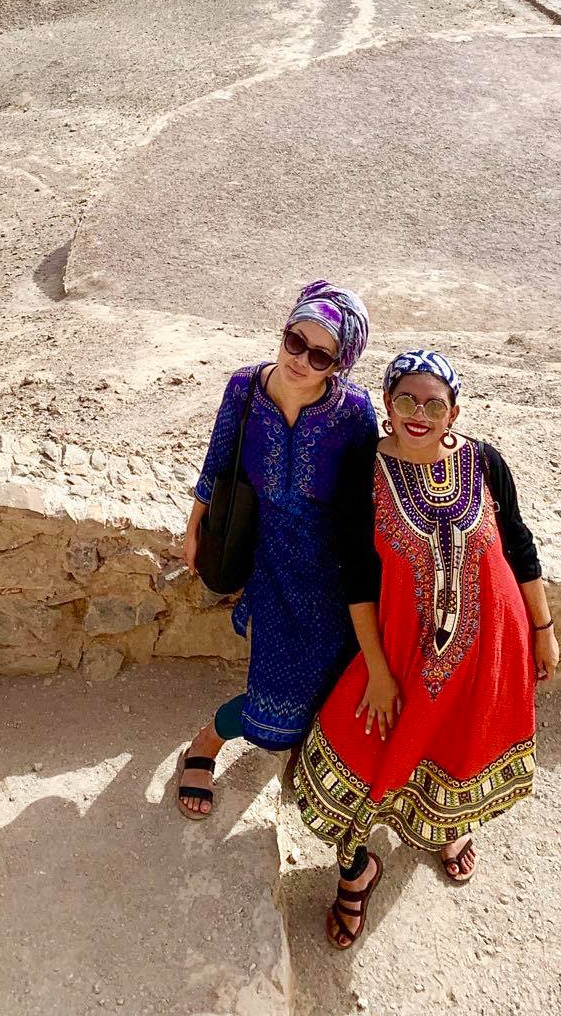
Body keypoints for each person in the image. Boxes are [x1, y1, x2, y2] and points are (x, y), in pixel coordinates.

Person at [289, 347, 557, 947]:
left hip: (491, 648)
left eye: (434, 403)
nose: (419, 413)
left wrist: (542, 628)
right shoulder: (364, 470)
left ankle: (448, 829)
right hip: (400, 656)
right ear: (387, 403)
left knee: (459, 749)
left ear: (453, 412)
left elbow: (517, 544)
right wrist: (379, 672)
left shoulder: (486, 463)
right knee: (360, 764)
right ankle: (357, 870)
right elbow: (356, 577)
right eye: (406, 399)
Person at [174, 281, 380, 819]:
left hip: (333, 577)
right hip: (270, 564)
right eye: (295, 341)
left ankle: (312, 771)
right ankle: (206, 742)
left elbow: (366, 501)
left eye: (320, 355)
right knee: (272, 688)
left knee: (332, 689)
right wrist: (195, 527)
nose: (300, 360)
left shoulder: (354, 412)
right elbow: (218, 463)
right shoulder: (244, 388)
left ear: (339, 364)